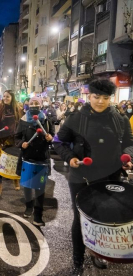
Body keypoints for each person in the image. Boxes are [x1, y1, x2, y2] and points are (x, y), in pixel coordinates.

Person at [53, 79, 133, 275]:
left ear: (110, 98)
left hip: (110, 176)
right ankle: (77, 262)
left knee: (103, 217)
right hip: (82, 176)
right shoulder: (75, 118)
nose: (100, 102)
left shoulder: (119, 118)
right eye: (97, 97)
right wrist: (70, 157)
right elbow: (58, 142)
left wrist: (128, 156)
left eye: (105, 98)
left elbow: (129, 143)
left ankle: (97, 252)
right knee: (81, 219)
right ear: (89, 96)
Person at [15, 97, 54, 226]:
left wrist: (50, 138)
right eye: (32, 103)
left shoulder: (46, 120)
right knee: (27, 186)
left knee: (40, 187)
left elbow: (53, 136)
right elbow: (17, 138)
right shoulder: (23, 120)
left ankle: (38, 215)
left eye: (37, 103)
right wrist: (22, 144)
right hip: (27, 156)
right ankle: (28, 207)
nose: (34, 105)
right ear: (28, 105)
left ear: (41, 105)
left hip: (42, 157)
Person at [0, 90, 22, 196]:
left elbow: (22, 123)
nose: (5, 98)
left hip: (12, 140)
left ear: (12, 98)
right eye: (4, 96)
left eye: (8, 97)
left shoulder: (18, 110)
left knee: (13, 162)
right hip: (0, 139)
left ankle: (15, 179)